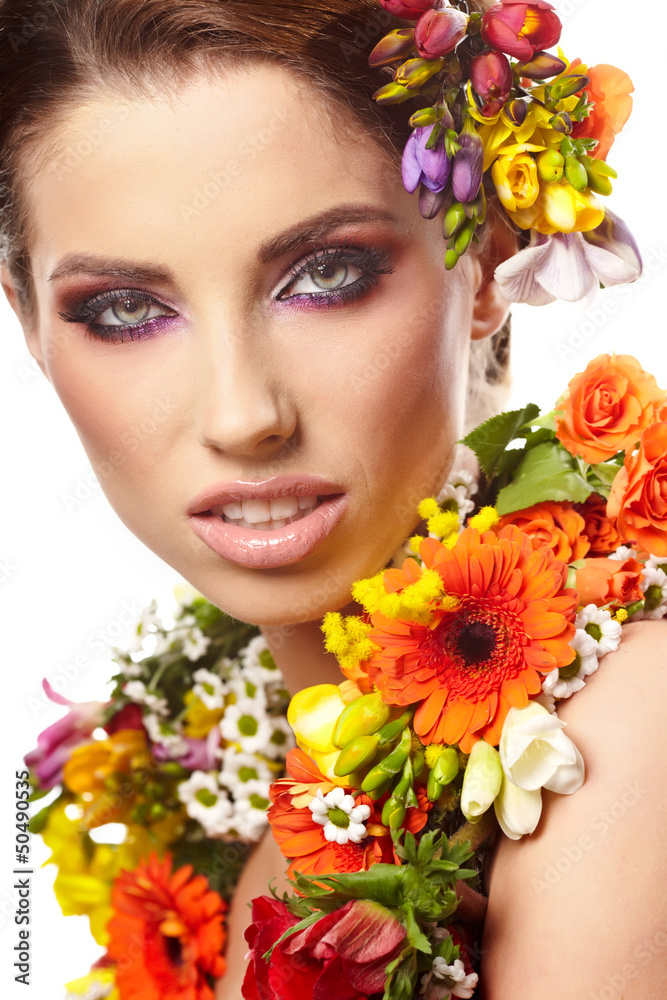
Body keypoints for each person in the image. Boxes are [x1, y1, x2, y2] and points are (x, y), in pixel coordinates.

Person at [2, 1, 664, 998]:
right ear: (29, 325)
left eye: (327, 274)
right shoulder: (230, 784)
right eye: (126, 309)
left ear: (482, 259)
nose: (241, 414)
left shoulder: (621, 734)